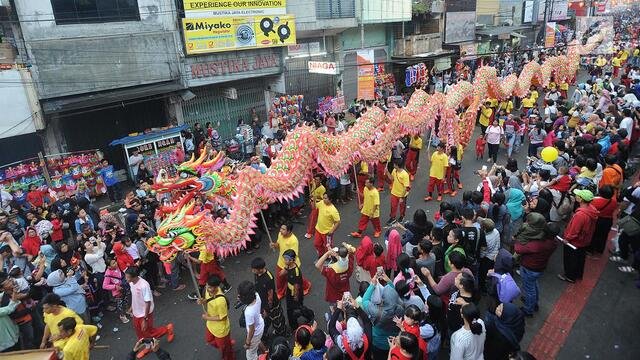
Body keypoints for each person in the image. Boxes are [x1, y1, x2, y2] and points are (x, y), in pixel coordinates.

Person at [514, 222, 558, 316]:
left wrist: (520, 238)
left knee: (529, 289)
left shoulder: (538, 245)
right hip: (539, 267)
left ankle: (528, 309)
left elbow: (518, 249)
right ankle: (534, 302)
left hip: (529, 267)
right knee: (534, 285)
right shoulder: (554, 242)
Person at [125, 266, 174, 351]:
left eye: (127, 277)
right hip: (136, 312)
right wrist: (132, 307)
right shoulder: (131, 283)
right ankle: (147, 346)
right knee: (139, 331)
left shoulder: (144, 285)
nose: (126, 279)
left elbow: (147, 302)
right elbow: (135, 296)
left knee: (148, 332)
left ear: (134, 277)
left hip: (145, 313)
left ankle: (167, 329)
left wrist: (145, 318)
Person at [557, 190, 599, 283]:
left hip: (574, 242)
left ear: (581, 199)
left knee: (570, 259)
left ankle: (570, 276)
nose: (576, 196)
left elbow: (574, 231)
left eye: (578, 195)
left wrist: (566, 239)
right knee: (580, 258)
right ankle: (578, 274)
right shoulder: (592, 209)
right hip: (584, 240)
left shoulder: (580, 215)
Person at [200, 276, 234, 360]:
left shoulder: (220, 301)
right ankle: (228, 344)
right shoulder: (208, 290)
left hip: (221, 330)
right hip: (211, 326)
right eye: (207, 285)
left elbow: (223, 317)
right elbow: (207, 301)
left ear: (216, 287)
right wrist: (203, 302)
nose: (208, 288)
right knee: (209, 340)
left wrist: (207, 317)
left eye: (211, 287)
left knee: (225, 352)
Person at [250, 257, 287, 337]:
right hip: (262, 301)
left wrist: (268, 308)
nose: (252, 271)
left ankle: (282, 332)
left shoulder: (268, 278)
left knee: (277, 319)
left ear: (260, 269)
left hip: (271, 304)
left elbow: (270, 295)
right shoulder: (257, 274)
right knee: (267, 318)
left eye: (254, 269)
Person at [272, 222, 301, 299]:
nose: (280, 230)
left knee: (294, 280)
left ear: (289, 231)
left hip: (291, 265)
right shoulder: (280, 234)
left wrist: (286, 268)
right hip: (281, 262)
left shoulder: (294, 241)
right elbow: (278, 244)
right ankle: (280, 292)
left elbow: (293, 257)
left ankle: (304, 286)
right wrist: (274, 245)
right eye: (281, 228)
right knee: (279, 279)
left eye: (283, 229)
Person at [237, 281, 265, 360]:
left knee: (250, 356)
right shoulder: (256, 295)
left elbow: (251, 330)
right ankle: (266, 352)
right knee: (258, 341)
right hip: (260, 324)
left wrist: (247, 343)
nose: (238, 296)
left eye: (240, 295)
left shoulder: (248, 312)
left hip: (254, 333)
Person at [280, 249, 304, 330]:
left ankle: (294, 327)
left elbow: (296, 286)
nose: (284, 261)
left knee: (294, 309)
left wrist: (295, 297)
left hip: (295, 293)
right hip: (289, 290)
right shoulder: (289, 267)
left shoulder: (296, 271)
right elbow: (281, 274)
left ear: (292, 260)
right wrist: (286, 267)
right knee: (291, 309)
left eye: (286, 259)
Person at [0, 271, 21, 352]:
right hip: (5, 344)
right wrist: (14, 293)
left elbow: (2, 294)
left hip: (12, 337)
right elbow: (10, 309)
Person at [387, 159, 411, 224]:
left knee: (402, 207)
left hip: (402, 194)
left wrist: (402, 197)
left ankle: (402, 216)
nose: (393, 165)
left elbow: (406, 187)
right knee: (393, 206)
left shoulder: (405, 174)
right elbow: (392, 178)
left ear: (397, 165)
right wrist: (387, 172)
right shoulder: (394, 170)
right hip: (394, 192)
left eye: (394, 164)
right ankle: (392, 217)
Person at [305, 175, 326, 239]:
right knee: (314, 217)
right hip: (312, 202)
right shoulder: (313, 183)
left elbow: (323, 198)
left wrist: (315, 197)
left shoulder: (322, 188)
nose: (316, 181)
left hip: (317, 204)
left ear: (320, 180)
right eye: (315, 179)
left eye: (318, 180)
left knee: (312, 218)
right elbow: (309, 181)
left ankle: (310, 232)